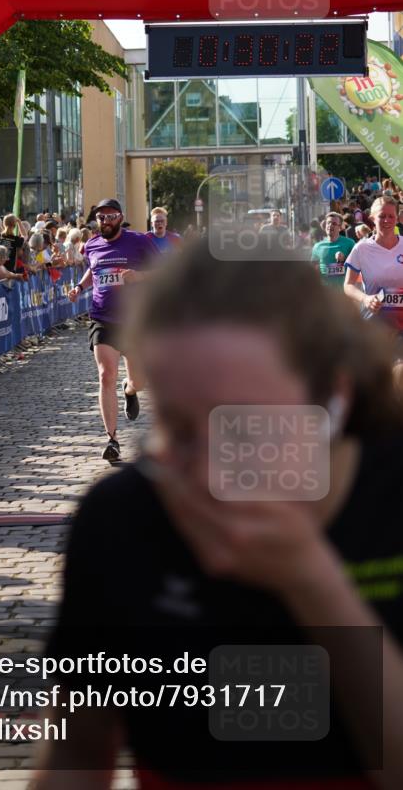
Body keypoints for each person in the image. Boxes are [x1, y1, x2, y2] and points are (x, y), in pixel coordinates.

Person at [34, 241, 403, 790]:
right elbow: (75, 756)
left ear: (333, 393)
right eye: (180, 428)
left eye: (244, 424)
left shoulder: (391, 493)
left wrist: (312, 580)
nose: (210, 467)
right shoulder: (123, 516)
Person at [68, 198, 158, 465]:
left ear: (120, 217)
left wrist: (140, 276)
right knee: (106, 374)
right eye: (100, 217)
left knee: (139, 382)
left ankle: (129, 391)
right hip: (102, 318)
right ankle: (112, 440)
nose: (105, 221)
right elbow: (93, 270)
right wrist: (79, 287)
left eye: (110, 216)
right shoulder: (92, 244)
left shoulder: (139, 241)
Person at [344, 196, 403, 358]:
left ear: (397, 218)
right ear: (372, 218)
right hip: (375, 324)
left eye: (391, 216)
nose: (387, 220)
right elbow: (348, 285)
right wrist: (365, 299)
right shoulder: (361, 248)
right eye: (382, 216)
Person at [311, 211, 356, 288]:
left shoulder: (349, 243)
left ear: (340, 227)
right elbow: (313, 268)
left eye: (334, 224)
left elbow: (357, 265)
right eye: (328, 223)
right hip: (325, 290)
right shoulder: (317, 246)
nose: (330, 225)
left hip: (343, 290)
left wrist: (345, 259)